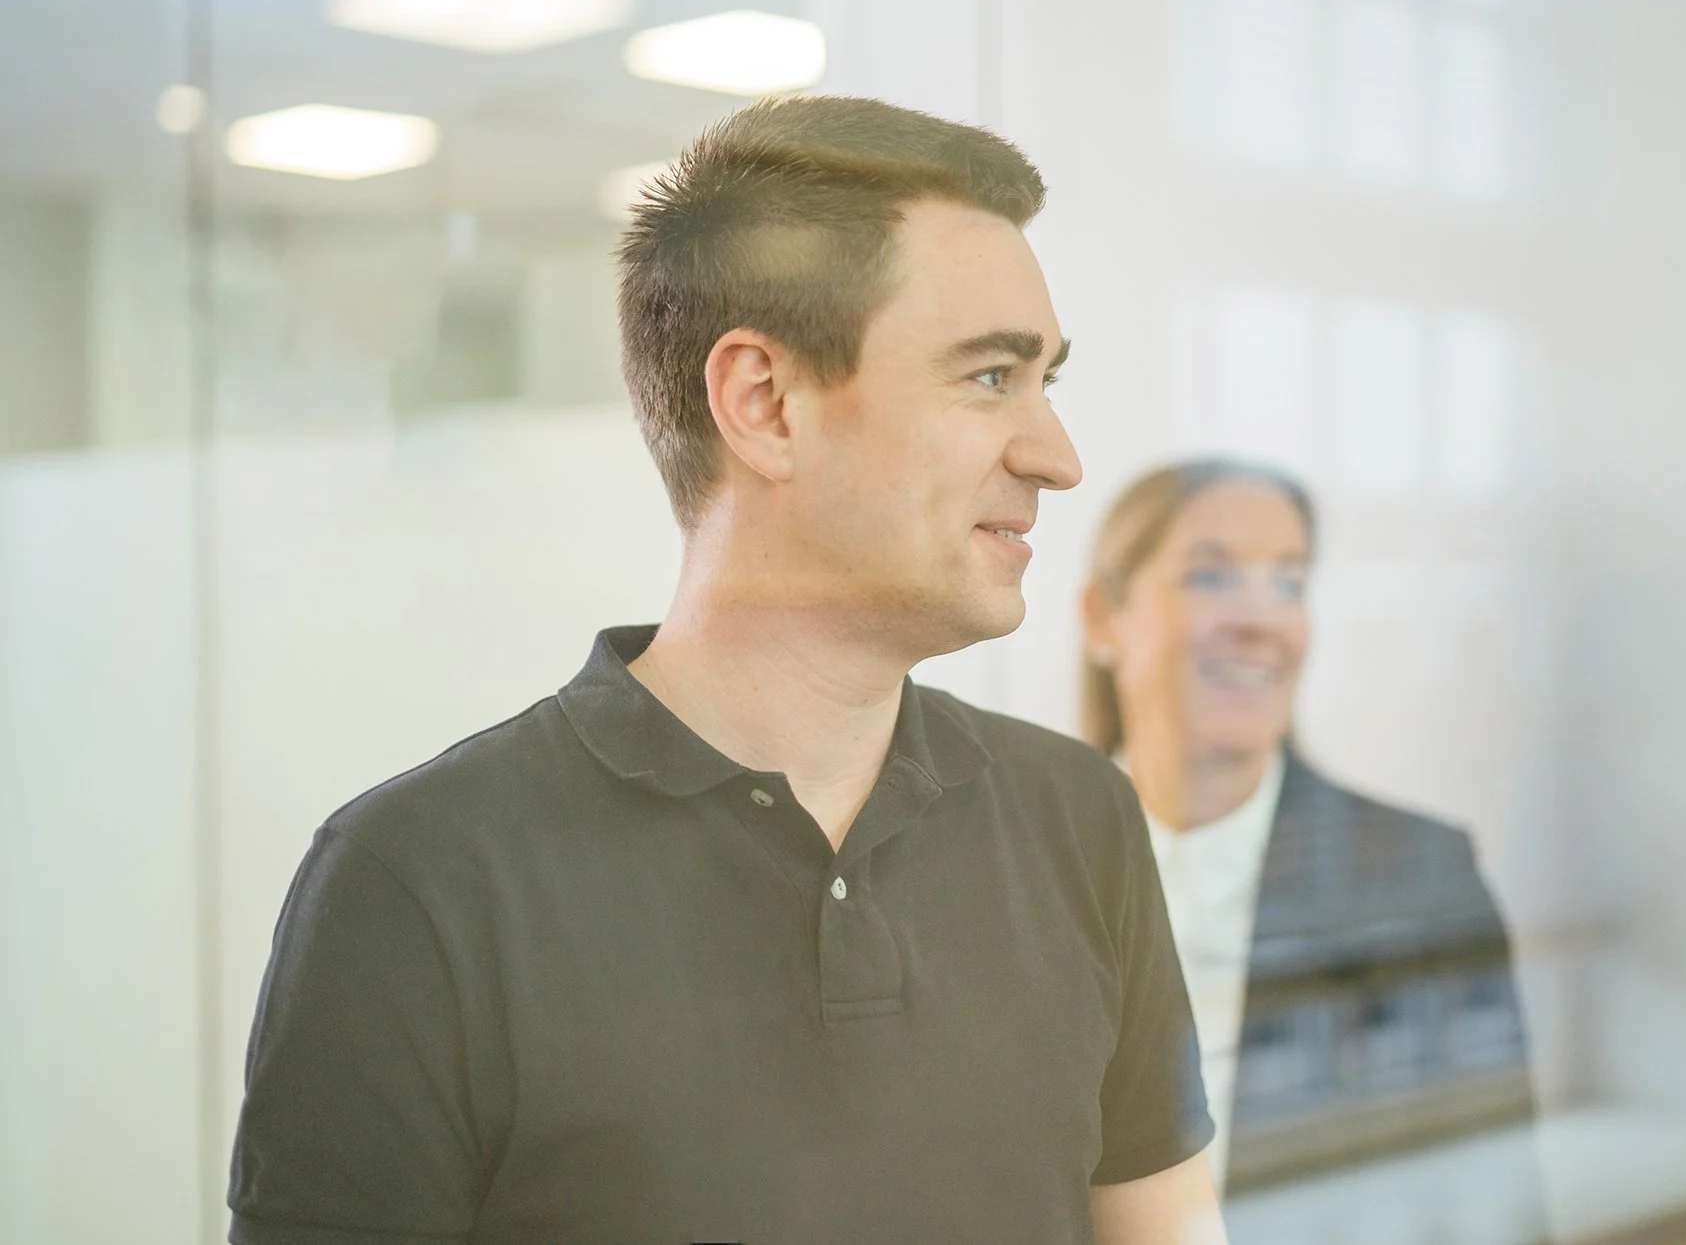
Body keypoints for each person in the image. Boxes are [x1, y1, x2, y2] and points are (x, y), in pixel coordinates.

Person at [228, 97, 1225, 1245]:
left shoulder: (1076, 816)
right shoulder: (419, 882)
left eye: (1047, 380)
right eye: (990, 377)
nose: (1056, 455)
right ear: (763, 403)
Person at [1081, 460, 1539, 1216]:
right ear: (1103, 618)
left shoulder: (1422, 877)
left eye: (1289, 582)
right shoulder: (1014, 865)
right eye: (1212, 577)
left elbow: (1496, 1203)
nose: (1261, 618)